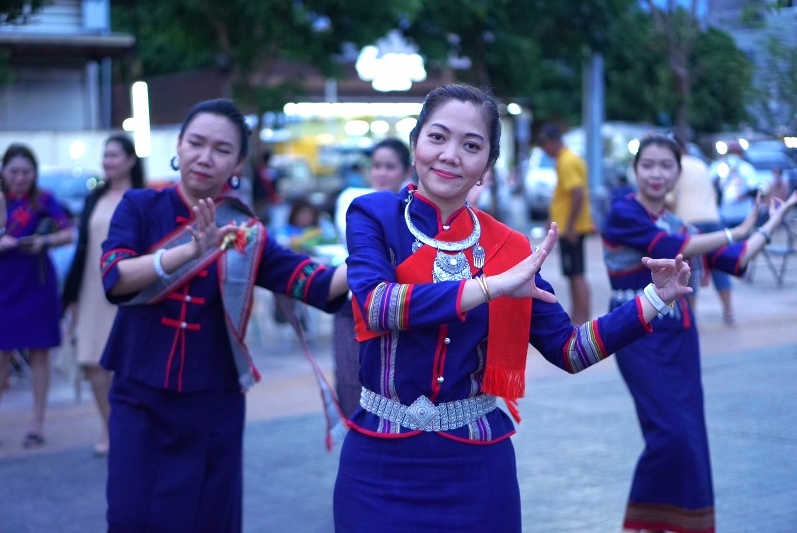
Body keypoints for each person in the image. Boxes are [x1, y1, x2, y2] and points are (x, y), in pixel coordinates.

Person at [334, 84, 694, 533]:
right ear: (415, 144)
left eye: (471, 146)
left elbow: (570, 350)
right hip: (377, 464)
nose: (450, 155)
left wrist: (653, 299)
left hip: (476, 467)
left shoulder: (509, 248)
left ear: (486, 166)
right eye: (437, 137)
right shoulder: (372, 215)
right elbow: (376, 306)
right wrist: (489, 286)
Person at [99, 99, 349, 532]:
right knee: (131, 516)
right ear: (179, 145)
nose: (204, 157)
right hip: (139, 396)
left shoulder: (246, 234)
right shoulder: (139, 207)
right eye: (196, 142)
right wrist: (191, 251)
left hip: (212, 404)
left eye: (220, 149)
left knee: (206, 519)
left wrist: (379, 247)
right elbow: (116, 277)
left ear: (236, 163)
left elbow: (318, 285)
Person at [602, 133, 797, 533]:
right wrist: (735, 230)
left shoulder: (679, 222)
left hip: (680, 339)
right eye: (648, 165)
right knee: (669, 435)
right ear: (635, 170)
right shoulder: (624, 213)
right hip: (635, 336)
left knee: (690, 438)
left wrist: (773, 219)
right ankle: (640, 525)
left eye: (666, 166)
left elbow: (737, 260)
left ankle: (679, 525)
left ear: (678, 172)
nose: (656, 174)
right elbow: (676, 247)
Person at [61, 134, 145, 457]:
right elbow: (82, 248)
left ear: (130, 160)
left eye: (114, 155)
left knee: (126, 364)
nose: (108, 161)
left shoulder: (142, 197)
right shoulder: (94, 198)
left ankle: (129, 430)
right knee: (93, 363)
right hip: (92, 288)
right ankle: (110, 429)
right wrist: (72, 296)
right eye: (105, 155)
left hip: (129, 286)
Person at [0, 144, 75, 449]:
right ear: (3, 171)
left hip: (36, 281)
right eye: (14, 171)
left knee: (39, 352)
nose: (20, 178)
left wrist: (44, 241)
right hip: (4, 284)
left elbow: (69, 232)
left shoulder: (44, 199)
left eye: (26, 172)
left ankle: (37, 422)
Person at [333, 138, 412, 417]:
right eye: (376, 166)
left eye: (390, 167)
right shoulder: (352, 200)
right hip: (353, 305)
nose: (381, 173)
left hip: (400, 309)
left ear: (405, 171)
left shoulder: (414, 210)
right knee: (350, 383)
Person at [668, 139, 736, 323]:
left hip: (688, 223)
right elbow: (713, 192)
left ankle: (692, 315)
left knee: (689, 270)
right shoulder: (700, 164)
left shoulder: (674, 166)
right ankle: (728, 310)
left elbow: (669, 198)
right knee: (718, 265)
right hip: (712, 218)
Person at [538, 123, 594, 325]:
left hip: (573, 229)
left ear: (554, 142)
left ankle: (581, 319)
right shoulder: (566, 158)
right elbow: (565, 195)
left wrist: (569, 226)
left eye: (545, 145)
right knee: (573, 274)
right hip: (569, 227)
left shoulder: (566, 161)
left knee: (576, 274)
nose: (545, 150)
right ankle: (577, 316)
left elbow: (577, 193)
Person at [709, 140, 759, 228]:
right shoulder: (718, 167)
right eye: (732, 152)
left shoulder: (747, 168)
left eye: (736, 153)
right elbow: (709, 183)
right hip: (724, 213)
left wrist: (744, 195)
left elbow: (754, 189)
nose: (734, 155)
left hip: (743, 213)